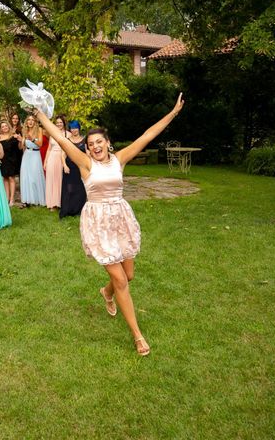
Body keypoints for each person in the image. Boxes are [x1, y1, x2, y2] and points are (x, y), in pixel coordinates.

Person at [28, 85, 185, 356]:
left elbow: (147, 135)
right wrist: (41, 116)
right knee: (121, 279)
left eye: (98, 142)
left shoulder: (119, 160)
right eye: (90, 145)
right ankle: (138, 336)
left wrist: (172, 113)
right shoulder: (86, 164)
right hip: (98, 223)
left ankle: (106, 292)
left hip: (120, 218)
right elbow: (62, 139)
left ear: (107, 142)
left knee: (129, 275)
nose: (95, 147)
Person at [59, 120, 87, 218]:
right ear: (70, 129)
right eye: (72, 128)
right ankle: (67, 210)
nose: (74, 130)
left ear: (79, 128)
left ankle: (79, 210)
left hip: (81, 168)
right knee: (68, 189)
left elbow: (88, 155)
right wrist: (65, 165)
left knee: (81, 189)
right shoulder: (67, 140)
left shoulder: (84, 140)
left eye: (75, 127)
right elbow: (62, 155)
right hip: (69, 168)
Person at [19, 115, 46, 208]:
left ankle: (37, 199)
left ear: (35, 121)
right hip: (27, 155)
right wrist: (20, 140)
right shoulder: (25, 131)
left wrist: (32, 139)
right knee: (26, 177)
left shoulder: (39, 130)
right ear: (26, 122)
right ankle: (26, 200)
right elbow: (22, 147)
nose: (30, 122)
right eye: (29, 120)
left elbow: (40, 144)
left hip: (35, 155)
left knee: (35, 177)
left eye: (32, 120)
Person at [44, 115, 68, 210]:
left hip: (62, 158)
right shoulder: (52, 134)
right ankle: (52, 203)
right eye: (57, 122)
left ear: (64, 123)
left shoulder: (68, 134)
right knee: (51, 179)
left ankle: (61, 202)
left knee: (60, 180)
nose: (59, 124)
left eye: (60, 122)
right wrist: (45, 161)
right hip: (52, 157)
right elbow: (49, 149)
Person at [0, 120, 22, 207]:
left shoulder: (13, 136)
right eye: (2, 126)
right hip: (3, 160)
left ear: (8, 126)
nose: (4, 127)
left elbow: (20, 148)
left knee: (11, 178)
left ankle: (12, 199)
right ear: (0, 128)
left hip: (12, 160)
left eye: (6, 126)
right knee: (5, 178)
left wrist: (20, 140)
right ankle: (6, 198)